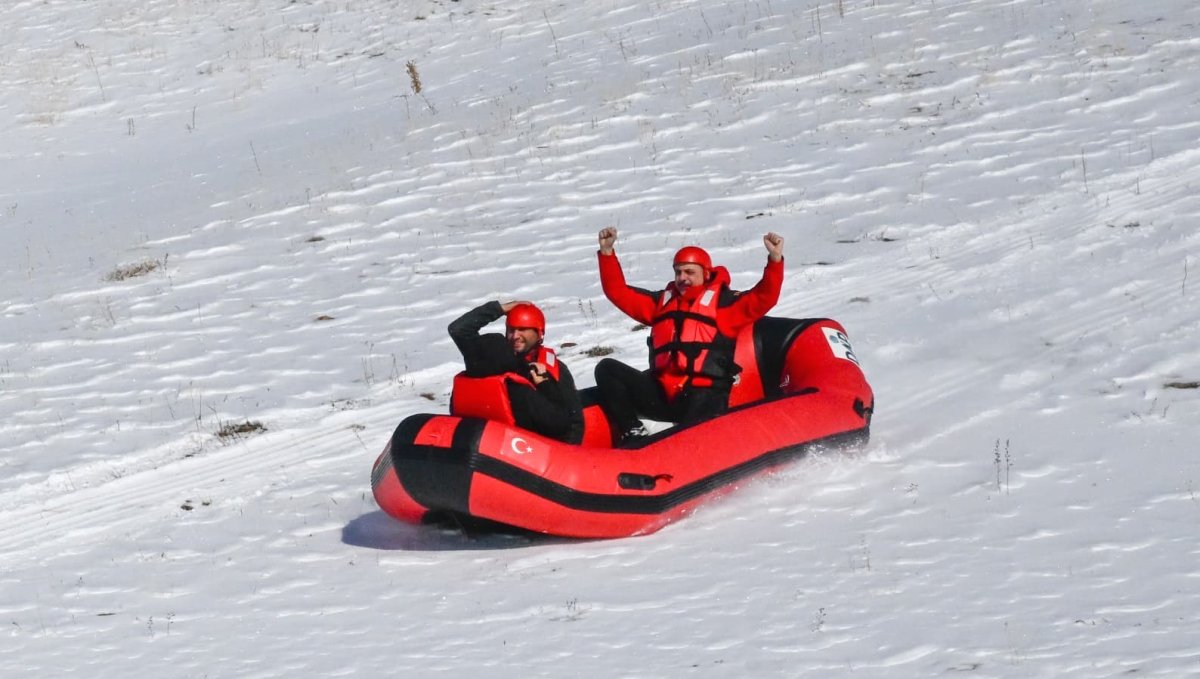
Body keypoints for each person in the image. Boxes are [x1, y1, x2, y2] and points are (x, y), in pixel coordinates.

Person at [594, 227, 785, 443]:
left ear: (706, 273)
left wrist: (775, 260)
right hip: (664, 396)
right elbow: (618, 292)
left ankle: (692, 447)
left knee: (698, 412)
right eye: (678, 272)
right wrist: (607, 254)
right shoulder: (661, 304)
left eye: (689, 272)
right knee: (607, 369)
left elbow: (764, 297)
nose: (682, 278)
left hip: (705, 397)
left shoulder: (724, 305)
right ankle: (633, 433)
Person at [448, 300, 584, 444]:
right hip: (501, 445)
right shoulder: (492, 359)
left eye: (522, 329)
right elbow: (458, 330)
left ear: (539, 333)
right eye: (511, 330)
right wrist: (499, 309)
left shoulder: (553, 369)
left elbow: (574, 422)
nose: (515, 336)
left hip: (535, 446)